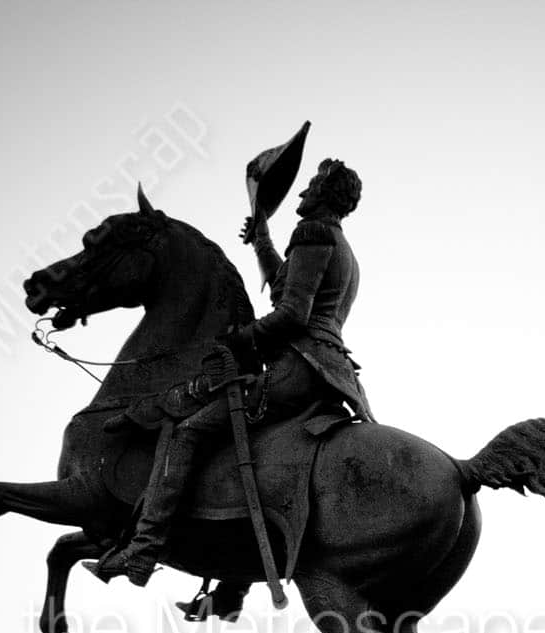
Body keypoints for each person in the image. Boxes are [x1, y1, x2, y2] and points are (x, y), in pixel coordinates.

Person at [94, 157, 373, 586]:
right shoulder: (340, 246)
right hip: (327, 370)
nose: (302, 193)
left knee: (190, 431)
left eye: (312, 185)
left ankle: (144, 548)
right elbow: (286, 283)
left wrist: (237, 339)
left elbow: (292, 314)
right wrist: (261, 239)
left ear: (327, 193)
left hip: (299, 366)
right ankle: (231, 583)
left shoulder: (312, 232)